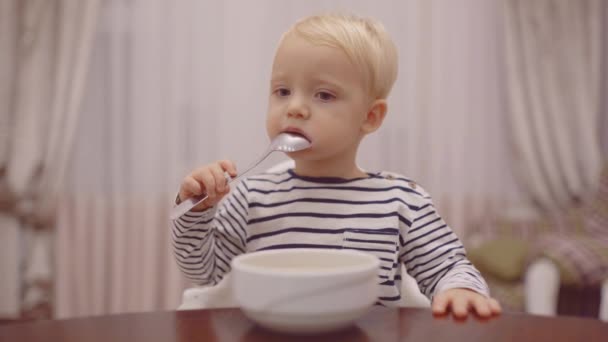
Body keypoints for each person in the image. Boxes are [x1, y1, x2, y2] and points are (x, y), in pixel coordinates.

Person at [172, 13, 501, 318]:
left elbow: (447, 266)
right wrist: (198, 210)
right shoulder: (251, 196)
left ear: (370, 117)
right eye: (282, 91)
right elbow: (203, 272)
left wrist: (461, 289)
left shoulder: (401, 201)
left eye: (324, 95)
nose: (295, 107)